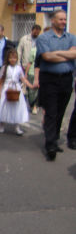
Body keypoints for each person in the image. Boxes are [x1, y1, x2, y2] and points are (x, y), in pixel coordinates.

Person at [35, 10, 76, 160]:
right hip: (49, 80)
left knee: (60, 111)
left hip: (66, 79)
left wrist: (57, 53)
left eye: (65, 19)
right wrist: (67, 54)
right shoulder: (44, 38)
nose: (63, 22)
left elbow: (74, 54)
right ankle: (50, 145)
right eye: (60, 19)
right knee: (51, 112)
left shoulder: (71, 37)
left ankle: (54, 138)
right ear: (52, 21)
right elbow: (47, 57)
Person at [0, 49, 33, 136]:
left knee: (16, 107)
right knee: (3, 107)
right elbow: (0, 80)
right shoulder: (4, 68)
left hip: (16, 89)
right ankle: (2, 124)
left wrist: (31, 86)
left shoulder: (19, 68)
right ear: (8, 58)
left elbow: (23, 79)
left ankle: (17, 127)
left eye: (15, 58)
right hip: (6, 88)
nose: (13, 60)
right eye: (11, 58)